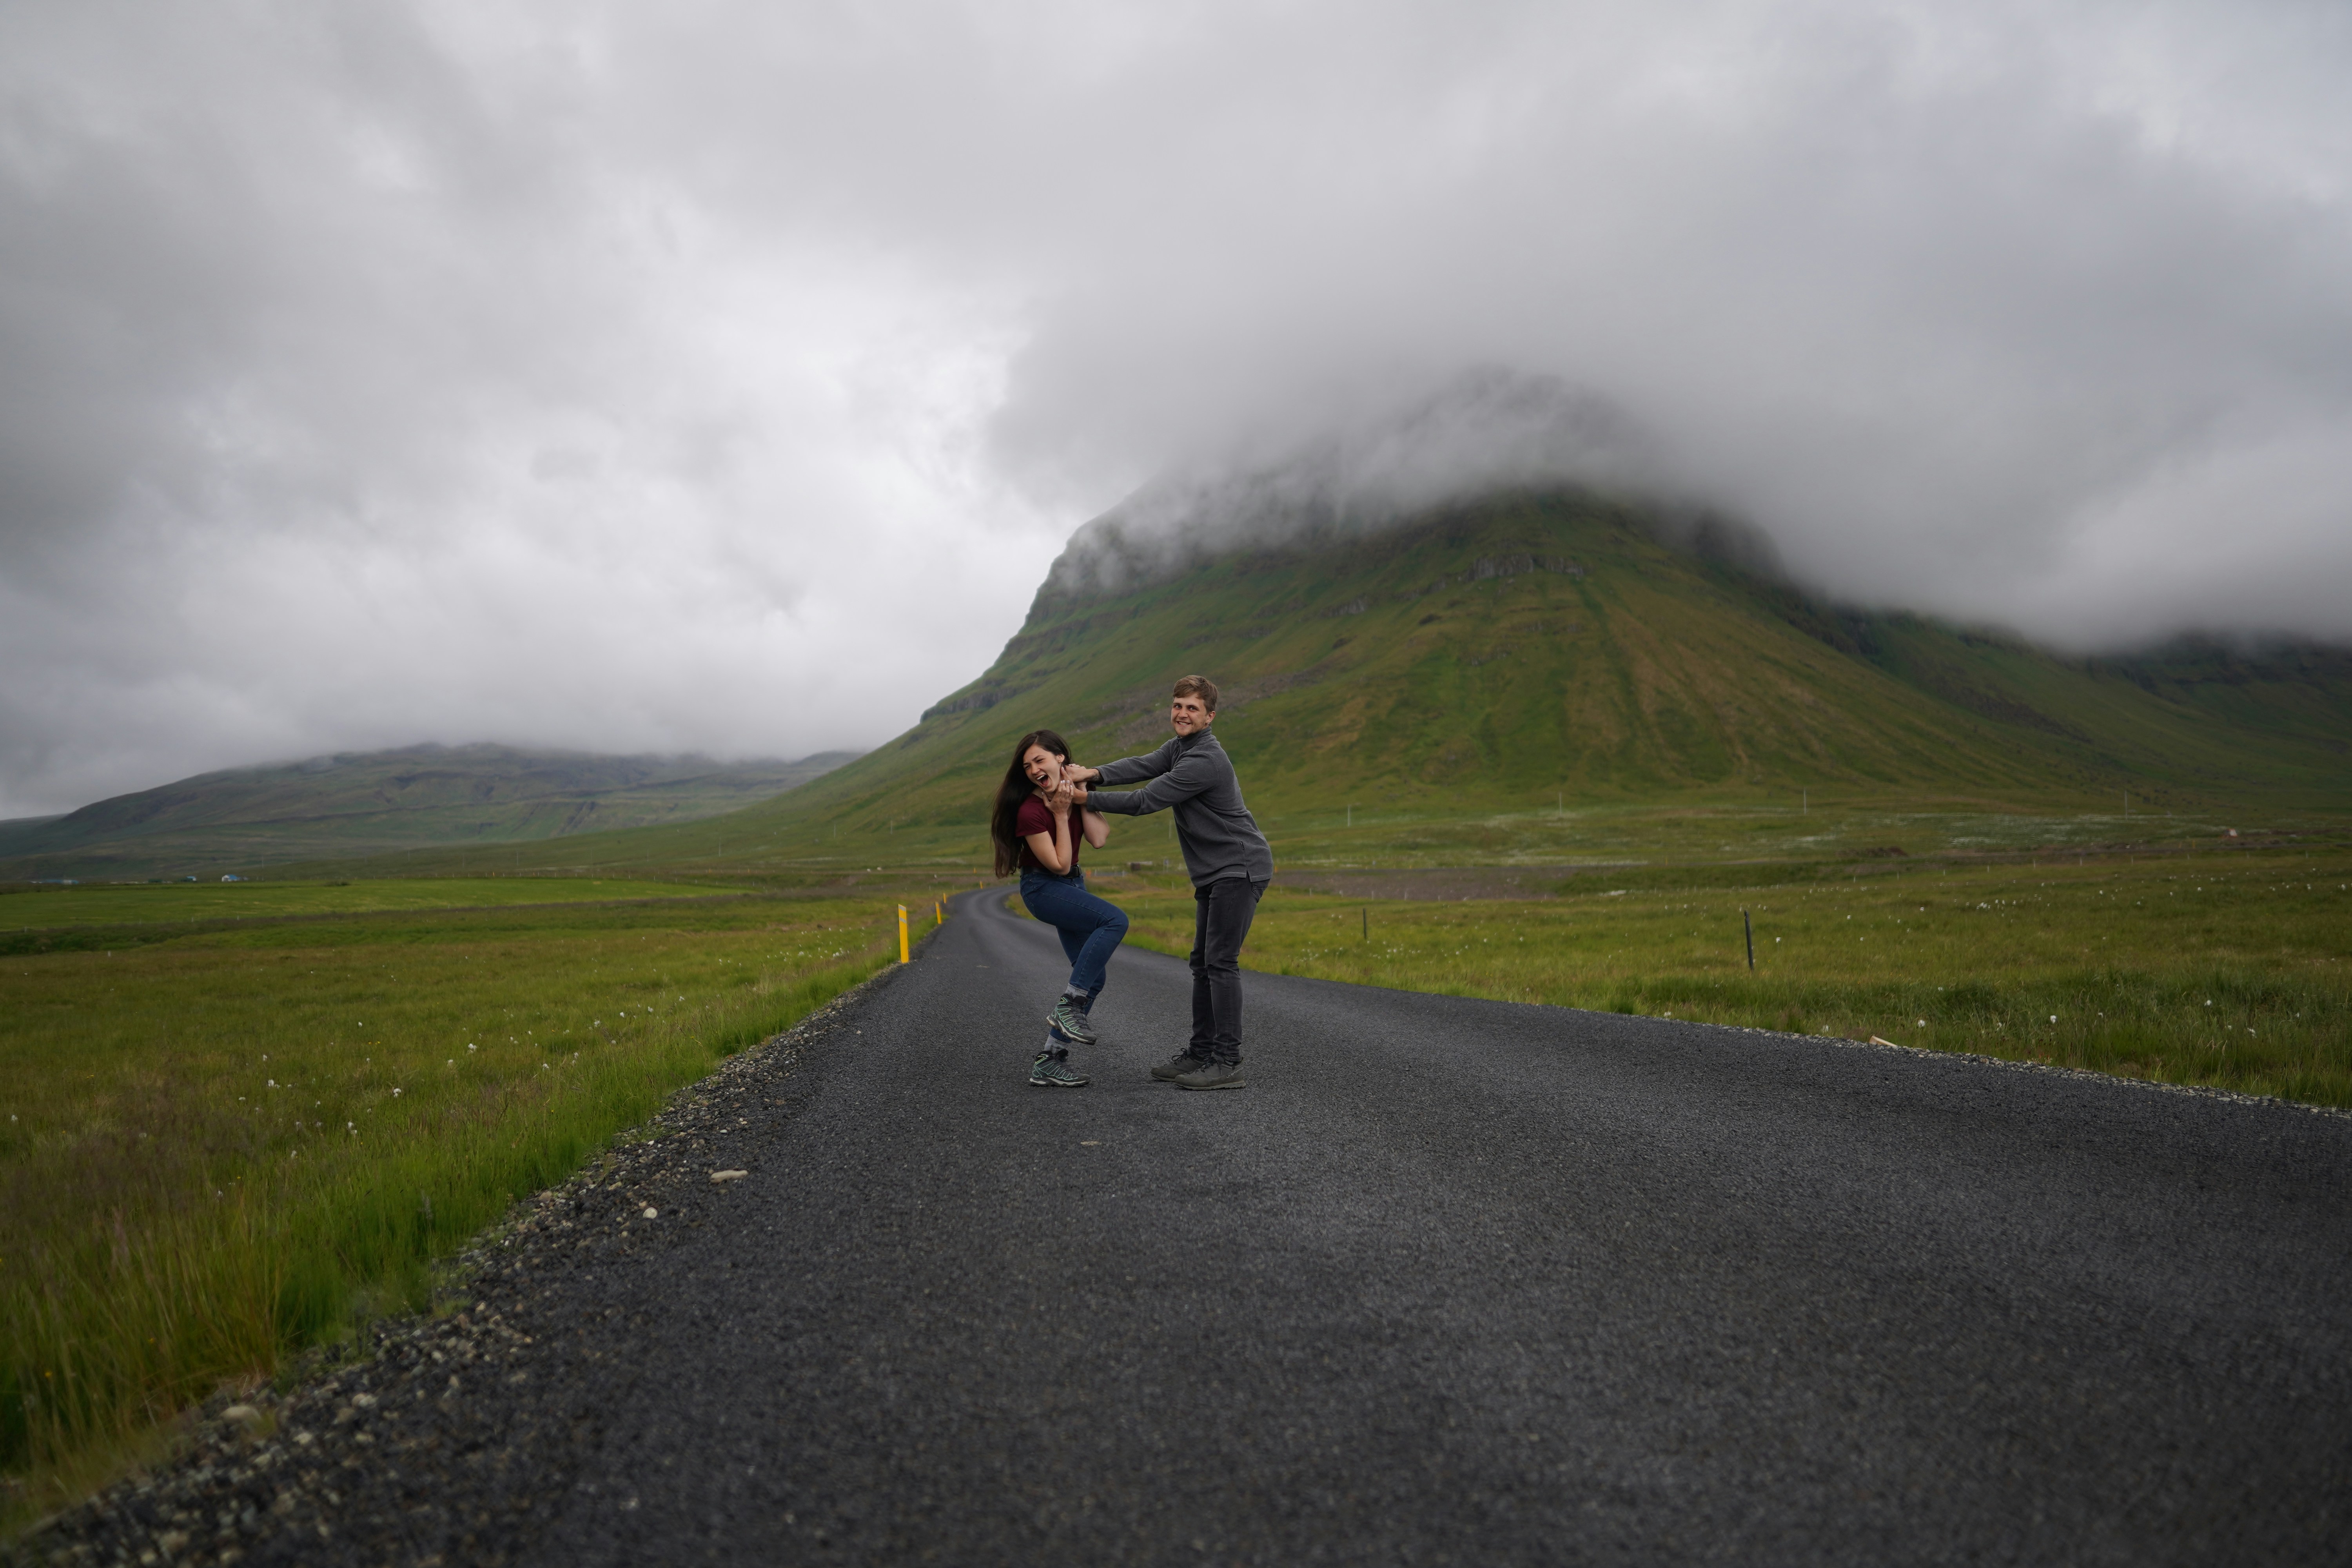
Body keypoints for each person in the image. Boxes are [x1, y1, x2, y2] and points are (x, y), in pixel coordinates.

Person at [1067, 675, 1272, 1091]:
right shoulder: (1181, 747)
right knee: (1202, 964)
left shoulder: (1205, 759)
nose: (1182, 713)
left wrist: (1084, 797)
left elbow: (1146, 799)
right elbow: (1143, 764)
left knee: (1220, 962)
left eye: (1192, 708)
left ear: (1210, 716)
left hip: (1239, 866)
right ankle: (1201, 1052)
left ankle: (1227, 1061)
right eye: (1178, 705)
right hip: (1215, 871)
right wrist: (1094, 773)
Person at [989, 728, 1128, 1088]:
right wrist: (1063, 816)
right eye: (1028, 766)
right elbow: (1060, 866)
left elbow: (1098, 839)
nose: (1035, 770)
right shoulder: (1031, 811)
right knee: (1115, 920)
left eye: (1040, 760)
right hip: (1045, 888)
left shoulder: (1073, 794)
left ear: (1060, 759)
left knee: (1094, 978)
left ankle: (1049, 1061)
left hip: (1072, 887)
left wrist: (1082, 797)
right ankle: (1068, 1006)